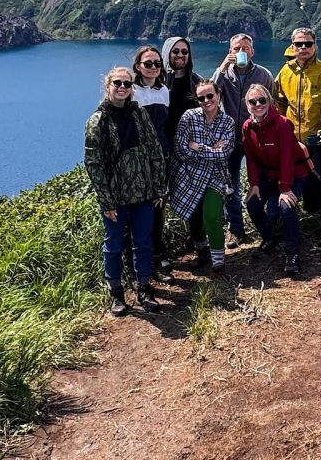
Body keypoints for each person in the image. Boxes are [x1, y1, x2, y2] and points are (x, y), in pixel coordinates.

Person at [84, 66, 167, 315]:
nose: (122, 88)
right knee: (114, 245)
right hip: (116, 197)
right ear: (107, 86)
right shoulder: (97, 121)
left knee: (143, 242)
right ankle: (116, 293)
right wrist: (106, 201)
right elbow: (94, 164)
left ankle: (143, 287)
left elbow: (154, 151)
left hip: (143, 193)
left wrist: (159, 187)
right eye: (118, 83)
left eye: (127, 84)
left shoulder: (139, 114)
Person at [274, 27, 321, 250]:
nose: (303, 48)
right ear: (292, 46)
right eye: (299, 44)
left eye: (308, 44)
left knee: (319, 181)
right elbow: (279, 101)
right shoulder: (285, 72)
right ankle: (303, 223)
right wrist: (283, 127)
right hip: (293, 140)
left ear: (316, 46)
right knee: (295, 180)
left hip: (317, 141)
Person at [211, 33, 274, 247]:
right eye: (237, 48)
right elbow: (210, 94)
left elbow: (272, 107)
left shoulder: (264, 75)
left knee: (266, 179)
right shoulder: (223, 74)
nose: (241, 52)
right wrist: (221, 67)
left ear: (252, 52)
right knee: (231, 185)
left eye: (245, 48)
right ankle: (236, 229)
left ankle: (269, 226)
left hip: (257, 138)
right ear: (230, 51)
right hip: (230, 139)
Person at [241, 83, 308, 276]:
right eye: (252, 101)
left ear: (270, 101)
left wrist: (285, 188)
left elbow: (287, 158)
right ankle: (269, 238)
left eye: (262, 100)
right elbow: (251, 158)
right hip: (269, 176)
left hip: (293, 175)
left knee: (286, 207)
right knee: (253, 204)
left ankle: (292, 253)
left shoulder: (282, 124)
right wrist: (254, 184)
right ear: (247, 105)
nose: (258, 104)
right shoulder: (247, 126)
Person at [171, 80, 237, 273]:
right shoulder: (188, 117)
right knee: (193, 215)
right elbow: (180, 149)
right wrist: (211, 149)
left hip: (216, 176)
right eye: (201, 97)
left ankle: (218, 259)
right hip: (190, 175)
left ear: (218, 96)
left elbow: (224, 153)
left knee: (211, 215)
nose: (206, 100)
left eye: (210, 96)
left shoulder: (227, 122)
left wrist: (197, 147)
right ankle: (202, 250)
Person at [130, 45, 172, 277]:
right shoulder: (131, 91)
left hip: (160, 158)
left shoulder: (163, 90)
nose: (153, 68)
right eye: (148, 64)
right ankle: (140, 262)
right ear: (138, 66)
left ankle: (158, 255)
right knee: (140, 210)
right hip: (139, 161)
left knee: (158, 208)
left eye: (157, 64)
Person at [162, 36, 202, 145]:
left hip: (190, 144)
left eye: (184, 52)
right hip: (163, 144)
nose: (180, 55)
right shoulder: (158, 82)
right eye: (175, 51)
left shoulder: (197, 81)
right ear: (167, 53)